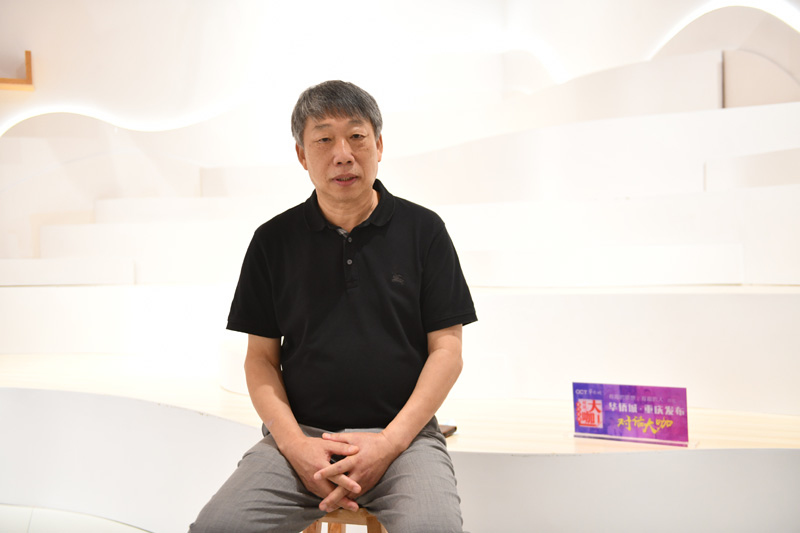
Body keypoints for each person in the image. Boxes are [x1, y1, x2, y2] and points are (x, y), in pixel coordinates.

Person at [189, 80, 477, 533]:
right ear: (302, 155)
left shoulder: (424, 231)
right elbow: (260, 360)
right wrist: (295, 446)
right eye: (324, 140)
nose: (343, 154)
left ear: (378, 145)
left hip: (403, 440)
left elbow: (448, 351)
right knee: (218, 527)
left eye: (357, 136)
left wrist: (388, 443)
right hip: (301, 437)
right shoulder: (272, 242)